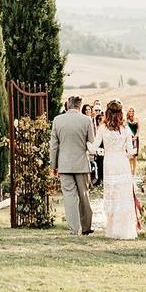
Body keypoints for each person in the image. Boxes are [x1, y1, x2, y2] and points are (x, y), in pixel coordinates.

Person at [49, 95, 95, 236]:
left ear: (68, 105)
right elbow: (91, 142)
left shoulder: (57, 120)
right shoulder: (86, 120)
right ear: (79, 106)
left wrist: (53, 166)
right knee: (84, 196)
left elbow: (54, 146)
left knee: (69, 197)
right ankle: (86, 227)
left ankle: (74, 229)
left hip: (64, 164)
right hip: (81, 164)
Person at [92, 100, 138, 240]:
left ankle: (113, 230)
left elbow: (94, 148)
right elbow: (131, 152)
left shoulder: (102, 128)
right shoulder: (125, 129)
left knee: (112, 195)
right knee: (123, 195)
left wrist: (92, 147)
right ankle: (125, 230)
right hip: (122, 162)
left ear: (107, 112)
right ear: (121, 113)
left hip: (109, 162)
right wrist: (135, 149)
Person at [93, 104, 105, 185]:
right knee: (97, 163)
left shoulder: (104, 127)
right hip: (97, 145)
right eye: (98, 119)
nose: (100, 120)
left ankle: (102, 178)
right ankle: (98, 178)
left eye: (101, 119)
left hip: (103, 145)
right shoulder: (95, 126)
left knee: (102, 163)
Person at [126, 107, 140, 175]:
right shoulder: (126, 120)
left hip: (135, 139)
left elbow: (138, 129)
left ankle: (134, 171)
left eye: (132, 111)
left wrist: (136, 136)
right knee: (129, 155)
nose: (131, 112)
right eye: (130, 111)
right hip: (129, 139)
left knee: (135, 155)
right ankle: (129, 169)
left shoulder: (136, 119)